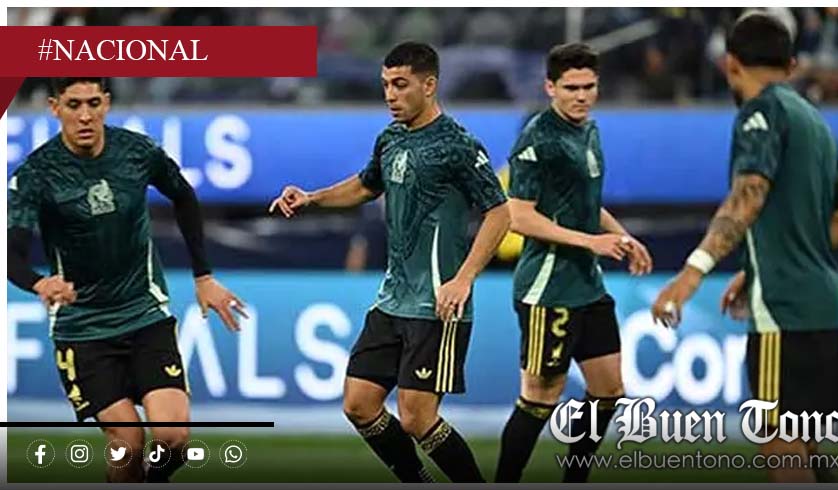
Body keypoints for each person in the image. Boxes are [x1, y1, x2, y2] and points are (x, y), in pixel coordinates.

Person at [269, 42, 510, 482]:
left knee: (417, 418)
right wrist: (311, 198)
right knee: (359, 404)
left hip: (436, 303)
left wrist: (464, 279)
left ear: (429, 85)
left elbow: (500, 212)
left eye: (400, 85)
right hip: (393, 299)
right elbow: (366, 185)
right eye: (385, 85)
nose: (390, 95)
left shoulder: (457, 144)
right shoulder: (391, 138)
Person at [7, 77, 247, 483]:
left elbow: (184, 196)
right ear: (54, 107)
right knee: (128, 444)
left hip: (144, 313)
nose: (85, 115)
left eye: (93, 103)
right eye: (74, 104)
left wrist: (203, 275)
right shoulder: (37, 174)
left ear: (106, 103)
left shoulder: (137, 152)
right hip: (82, 328)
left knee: (173, 439)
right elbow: (11, 253)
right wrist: (38, 283)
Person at [651, 12, 838, 483]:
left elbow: (748, 196)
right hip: (829, 310)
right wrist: (762, 261)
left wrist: (692, 272)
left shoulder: (759, 113)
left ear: (730, 64)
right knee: (808, 452)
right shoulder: (817, 124)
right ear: (792, 65)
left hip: (785, 313)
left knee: (781, 451)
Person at [495, 42, 653, 483]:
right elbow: (519, 217)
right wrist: (591, 242)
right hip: (548, 289)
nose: (582, 96)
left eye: (589, 87)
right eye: (571, 88)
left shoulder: (589, 130)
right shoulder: (537, 140)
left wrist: (622, 237)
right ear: (550, 87)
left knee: (608, 392)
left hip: (587, 284)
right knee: (539, 398)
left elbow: (586, 202)